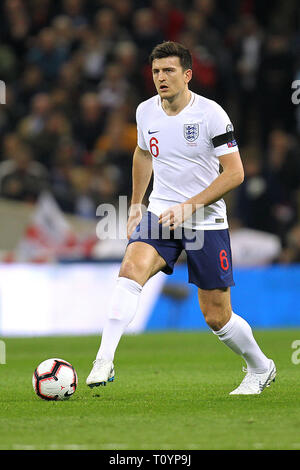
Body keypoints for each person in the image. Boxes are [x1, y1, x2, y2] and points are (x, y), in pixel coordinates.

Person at [86, 41, 276, 395]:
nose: (161, 77)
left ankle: (261, 367)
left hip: (205, 222)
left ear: (187, 75)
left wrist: (189, 206)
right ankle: (104, 358)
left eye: (169, 70)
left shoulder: (211, 115)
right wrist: (137, 203)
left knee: (217, 317)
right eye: (156, 71)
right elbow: (143, 154)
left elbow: (235, 173)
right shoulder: (145, 112)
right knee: (130, 269)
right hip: (161, 213)